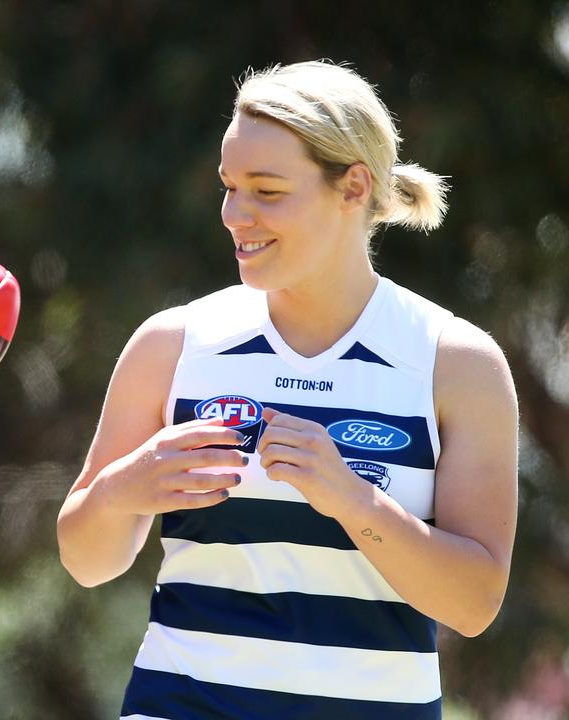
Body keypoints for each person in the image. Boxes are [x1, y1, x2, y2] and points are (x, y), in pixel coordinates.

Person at [56, 60, 517, 719]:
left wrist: (354, 501)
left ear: (353, 187)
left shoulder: (456, 362)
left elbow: (474, 605)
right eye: (229, 187)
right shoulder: (173, 344)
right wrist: (119, 491)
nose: (233, 214)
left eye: (266, 191)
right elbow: (84, 560)